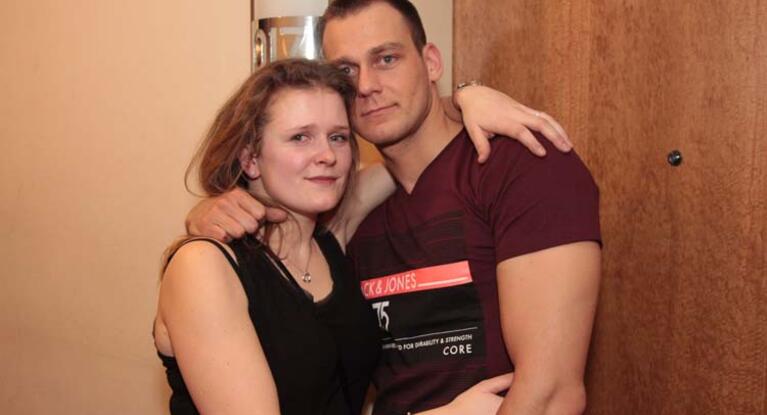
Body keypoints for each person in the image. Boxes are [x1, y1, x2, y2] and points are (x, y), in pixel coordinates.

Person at [187, 1, 602, 414]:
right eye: (346, 71)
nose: (366, 85)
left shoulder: (521, 166)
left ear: (431, 62)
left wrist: (465, 94)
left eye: (386, 59)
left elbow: (551, 395)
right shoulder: (343, 210)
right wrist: (208, 217)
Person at [154, 58, 516, 415]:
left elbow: (418, 151)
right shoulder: (202, 266)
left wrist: (465, 99)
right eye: (300, 137)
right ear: (249, 159)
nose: (327, 155)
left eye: (338, 137)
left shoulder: (331, 236)